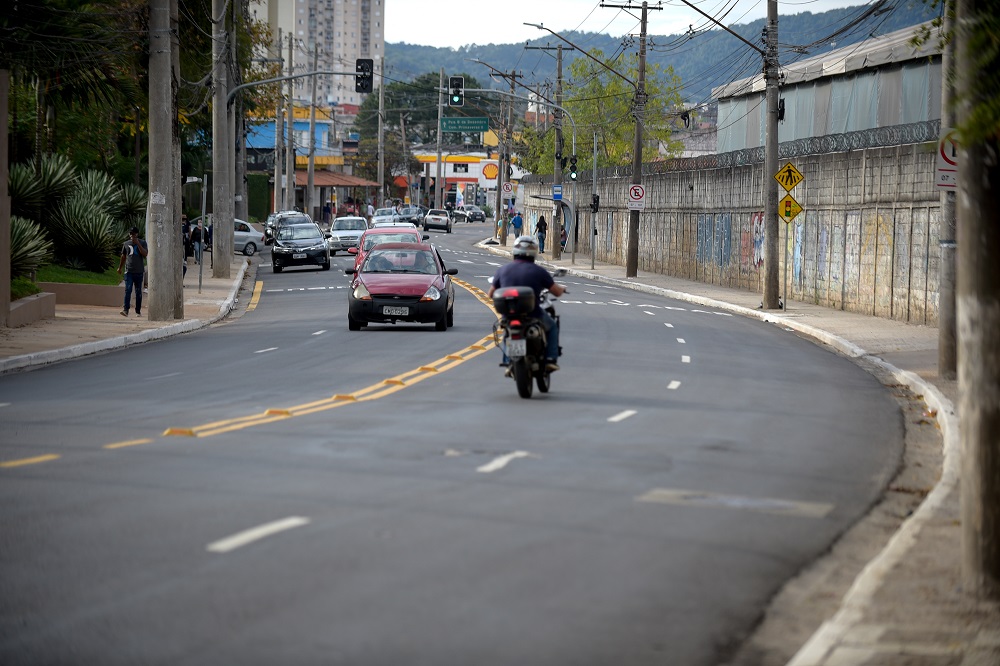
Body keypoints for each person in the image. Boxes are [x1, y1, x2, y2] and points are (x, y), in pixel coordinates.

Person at [488, 235, 565, 371]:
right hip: (533, 314)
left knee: (507, 333)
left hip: (509, 315)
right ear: (534, 252)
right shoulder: (539, 271)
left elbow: (490, 294)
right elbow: (557, 292)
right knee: (552, 326)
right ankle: (550, 359)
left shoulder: (502, 270)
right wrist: (563, 289)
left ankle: (507, 360)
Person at [117, 226, 148, 317]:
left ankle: (138, 311)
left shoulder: (142, 242)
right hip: (129, 271)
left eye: (134, 234)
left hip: (139, 271)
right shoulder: (126, 244)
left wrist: (138, 243)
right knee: (128, 290)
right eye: (130, 234)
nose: (132, 236)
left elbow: (145, 254)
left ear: (137, 234)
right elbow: (123, 257)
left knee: (138, 292)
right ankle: (125, 310)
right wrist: (120, 268)